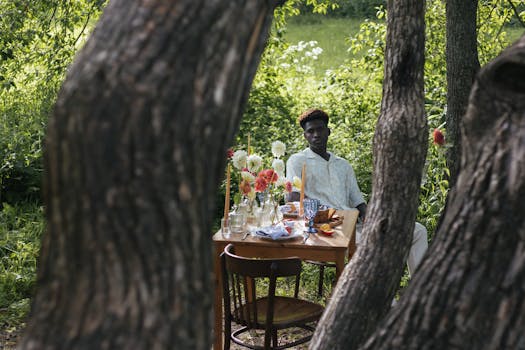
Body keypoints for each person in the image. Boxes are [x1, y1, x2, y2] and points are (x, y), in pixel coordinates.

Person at [286, 108, 428, 275]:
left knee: (417, 230)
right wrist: (321, 211)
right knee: (372, 245)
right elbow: (293, 196)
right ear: (305, 136)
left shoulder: (342, 165)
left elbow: (358, 201)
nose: (316, 134)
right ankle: (379, 299)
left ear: (328, 131)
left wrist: (371, 217)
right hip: (326, 228)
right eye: (310, 131)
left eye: (320, 129)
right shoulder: (297, 160)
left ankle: (421, 292)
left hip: (355, 224)